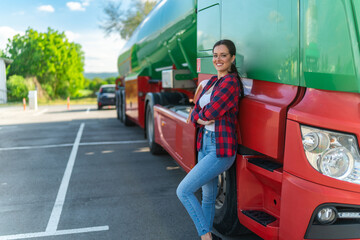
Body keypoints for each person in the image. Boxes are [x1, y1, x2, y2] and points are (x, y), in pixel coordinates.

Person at [176, 39, 243, 240]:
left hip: (220, 148)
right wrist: (201, 116)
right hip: (204, 143)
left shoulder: (231, 83)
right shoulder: (213, 82)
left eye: (223, 55)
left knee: (184, 191)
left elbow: (211, 111)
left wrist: (201, 115)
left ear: (232, 58)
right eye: (215, 55)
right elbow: (197, 110)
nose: (218, 59)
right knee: (208, 197)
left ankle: (206, 236)